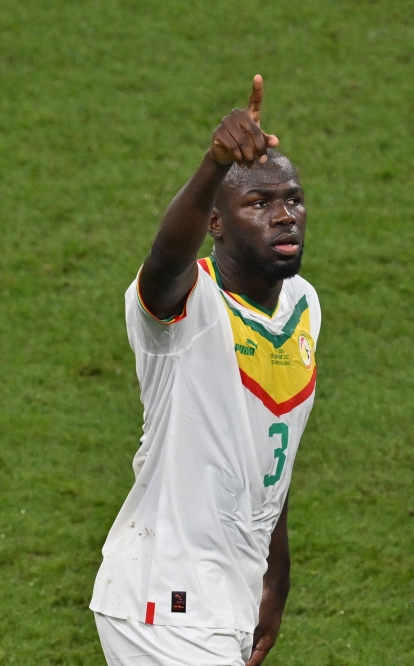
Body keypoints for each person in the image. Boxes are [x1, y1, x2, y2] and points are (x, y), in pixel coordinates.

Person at [89, 75, 319, 666]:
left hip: (225, 596)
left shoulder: (303, 306)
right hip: (163, 599)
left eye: (293, 199)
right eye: (259, 204)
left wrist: (275, 573)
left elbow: (269, 450)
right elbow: (164, 263)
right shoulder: (185, 308)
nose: (284, 216)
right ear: (216, 223)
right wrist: (214, 165)